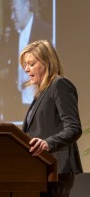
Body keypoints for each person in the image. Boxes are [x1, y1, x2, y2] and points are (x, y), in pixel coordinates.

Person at [19, 40, 83, 197]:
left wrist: (48, 143)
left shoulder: (60, 85)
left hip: (56, 169)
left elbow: (73, 128)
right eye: (25, 65)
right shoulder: (41, 92)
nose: (26, 69)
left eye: (31, 64)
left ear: (46, 62)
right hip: (39, 169)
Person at [9, 0, 52, 107]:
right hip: (17, 103)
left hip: (41, 102)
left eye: (15, 10)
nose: (12, 17)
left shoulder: (46, 31)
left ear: (27, 5)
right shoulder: (12, 36)